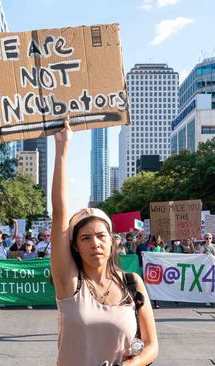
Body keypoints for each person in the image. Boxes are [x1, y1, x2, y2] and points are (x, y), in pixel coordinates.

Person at [51, 117, 158, 366]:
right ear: (75, 245)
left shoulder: (133, 284)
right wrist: (62, 150)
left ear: (112, 241)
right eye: (85, 238)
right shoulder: (69, 283)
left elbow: (152, 346)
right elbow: (59, 214)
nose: (94, 243)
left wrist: (132, 364)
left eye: (101, 236)